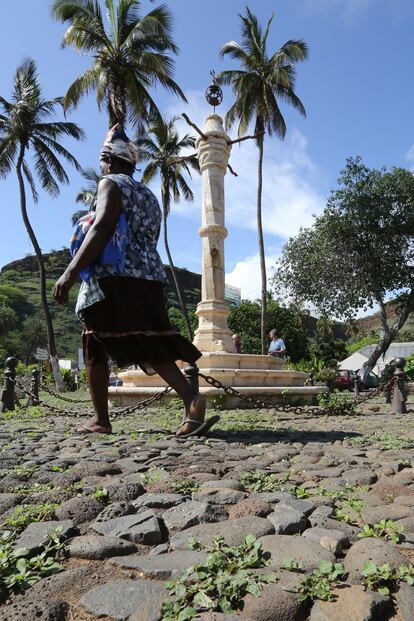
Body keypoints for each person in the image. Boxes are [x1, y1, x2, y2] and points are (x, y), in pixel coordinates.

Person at [54, 124, 219, 438]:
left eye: (103, 160)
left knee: (94, 341)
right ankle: (191, 398)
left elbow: (101, 228)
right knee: (151, 341)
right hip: (151, 275)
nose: (102, 166)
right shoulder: (148, 196)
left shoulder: (109, 184)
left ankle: (101, 420)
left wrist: (70, 272)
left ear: (110, 161)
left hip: (116, 276)